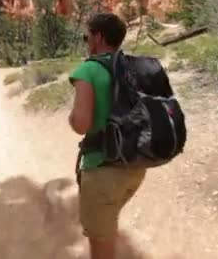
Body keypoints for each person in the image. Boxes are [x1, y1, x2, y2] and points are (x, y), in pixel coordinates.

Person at [68, 13, 145, 259]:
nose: (86, 41)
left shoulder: (88, 69)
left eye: (86, 36)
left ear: (98, 37)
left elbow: (81, 125)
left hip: (103, 169)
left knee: (101, 247)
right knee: (108, 224)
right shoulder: (134, 66)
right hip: (136, 165)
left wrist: (71, 118)